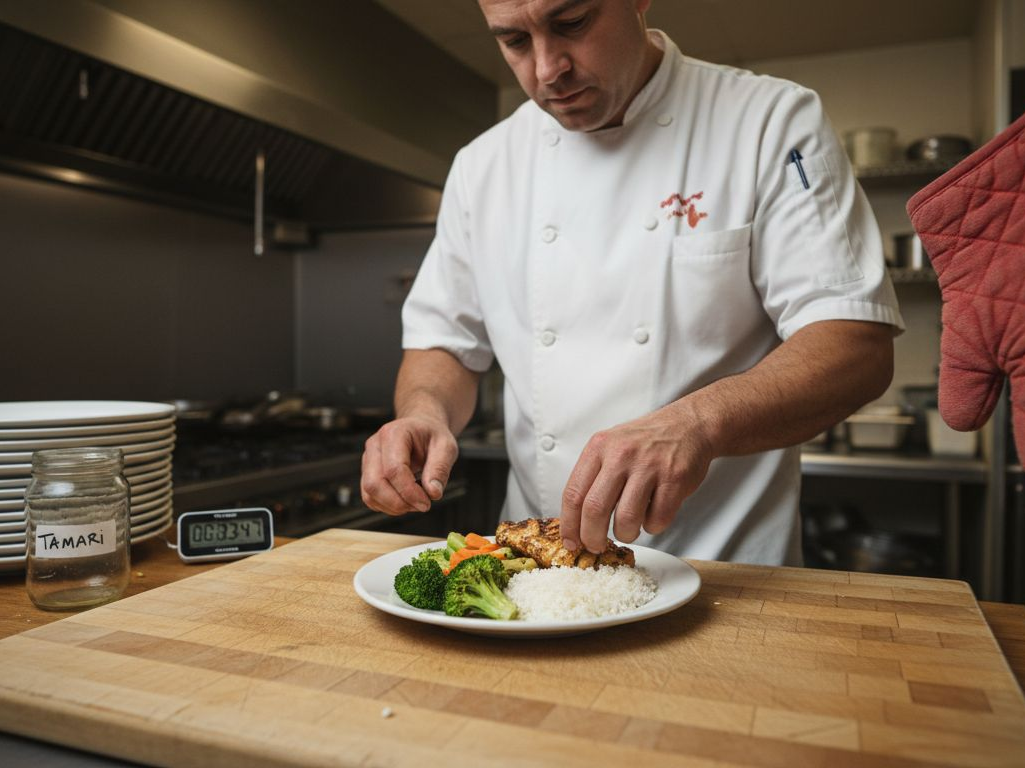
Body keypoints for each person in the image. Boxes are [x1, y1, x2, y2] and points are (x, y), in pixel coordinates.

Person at [360, 0, 903, 565]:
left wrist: (697, 423)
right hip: (540, 572)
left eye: (571, 23)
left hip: (727, 570)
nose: (547, 69)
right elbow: (444, 342)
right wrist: (423, 413)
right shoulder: (483, 167)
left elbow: (854, 346)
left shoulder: (769, 121)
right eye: (514, 41)